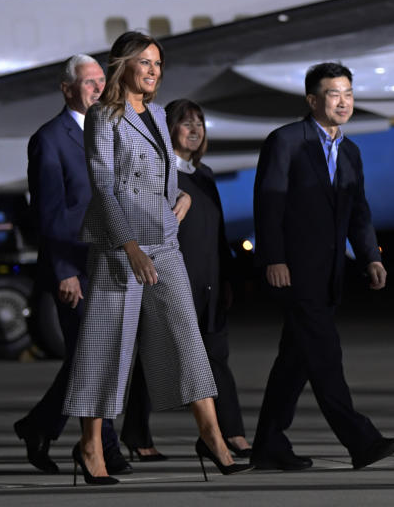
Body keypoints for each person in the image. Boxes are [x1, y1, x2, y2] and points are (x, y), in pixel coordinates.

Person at [62, 31, 252, 485]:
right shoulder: (103, 117)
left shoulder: (161, 115)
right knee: (108, 347)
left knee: (188, 336)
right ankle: (91, 448)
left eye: (158, 64)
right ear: (123, 64)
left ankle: (213, 437)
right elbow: (105, 186)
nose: (153, 71)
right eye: (145, 62)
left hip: (165, 240)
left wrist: (181, 199)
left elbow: (160, 176)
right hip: (119, 245)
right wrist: (128, 246)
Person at [251, 62, 394, 471]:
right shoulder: (285, 141)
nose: (344, 101)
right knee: (325, 355)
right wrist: (274, 258)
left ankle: (268, 444)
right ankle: (362, 440)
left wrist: (371, 255)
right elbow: (269, 205)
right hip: (295, 271)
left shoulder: (350, 151)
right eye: (334, 94)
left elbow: (358, 211)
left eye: (349, 93)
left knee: (295, 361)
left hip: (330, 272)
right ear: (312, 100)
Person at [14, 55, 131, 477]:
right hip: (75, 268)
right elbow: (48, 214)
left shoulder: (114, 131)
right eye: (89, 83)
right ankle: (102, 450)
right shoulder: (50, 139)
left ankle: (42, 426)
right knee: (92, 357)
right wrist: (63, 269)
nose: (99, 89)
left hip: (111, 263)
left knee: (99, 359)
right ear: (67, 89)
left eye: (102, 81)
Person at [119, 99, 253, 460]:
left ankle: (233, 432)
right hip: (174, 279)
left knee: (217, 356)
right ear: (169, 130)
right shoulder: (162, 174)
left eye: (200, 124)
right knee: (157, 357)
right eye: (186, 123)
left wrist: (227, 278)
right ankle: (136, 434)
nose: (195, 130)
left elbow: (218, 232)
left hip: (208, 282)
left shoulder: (204, 175)